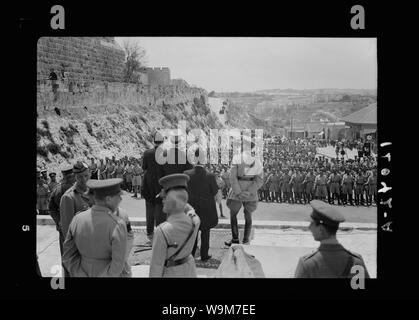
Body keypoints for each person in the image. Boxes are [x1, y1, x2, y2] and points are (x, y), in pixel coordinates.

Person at [62, 178, 132, 277]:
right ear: (108, 199)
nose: (120, 199)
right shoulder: (117, 224)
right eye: (118, 196)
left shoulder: (77, 219)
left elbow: (68, 256)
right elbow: (118, 264)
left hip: (83, 271)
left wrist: (79, 273)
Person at [295, 200, 370, 278]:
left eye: (312, 224)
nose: (309, 227)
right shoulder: (356, 262)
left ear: (321, 229)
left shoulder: (308, 264)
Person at [149, 174, 201, 277]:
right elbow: (190, 210)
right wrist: (180, 201)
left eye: (164, 198)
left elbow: (156, 265)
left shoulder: (162, 231)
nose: (162, 201)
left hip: (171, 273)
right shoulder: (195, 221)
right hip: (189, 271)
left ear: (171, 202)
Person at [224, 144, 264, 246]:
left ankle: (235, 239)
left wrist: (238, 192)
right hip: (250, 192)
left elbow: (232, 178)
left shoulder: (236, 159)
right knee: (248, 215)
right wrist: (249, 191)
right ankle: (246, 240)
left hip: (237, 192)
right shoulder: (257, 161)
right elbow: (259, 180)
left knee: (233, 215)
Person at [184, 160, 219, 261]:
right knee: (205, 232)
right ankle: (204, 255)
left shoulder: (186, 174)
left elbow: (184, 189)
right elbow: (214, 191)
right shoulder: (210, 176)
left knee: (193, 232)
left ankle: (191, 254)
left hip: (191, 207)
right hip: (206, 208)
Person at [142, 131, 165, 245]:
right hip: (161, 185)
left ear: (153, 141)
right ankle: (160, 233)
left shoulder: (147, 153)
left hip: (148, 185)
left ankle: (150, 233)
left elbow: (144, 168)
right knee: (160, 210)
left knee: (149, 210)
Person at [48, 165, 76, 257]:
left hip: (64, 226)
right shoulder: (76, 188)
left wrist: (58, 221)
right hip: (75, 226)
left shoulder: (57, 189)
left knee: (66, 253)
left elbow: (51, 208)